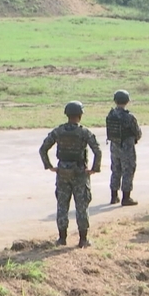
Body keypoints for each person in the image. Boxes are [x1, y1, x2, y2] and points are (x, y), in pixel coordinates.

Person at [39, 101, 103, 248]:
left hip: (62, 173)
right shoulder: (84, 132)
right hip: (80, 173)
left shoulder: (58, 131)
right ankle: (83, 240)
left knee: (62, 205)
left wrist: (50, 166)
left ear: (67, 115)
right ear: (80, 115)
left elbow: (43, 149)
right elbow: (97, 151)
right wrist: (94, 169)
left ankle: (62, 239)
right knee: (82, 206)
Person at [106, 89, 142, 206]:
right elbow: (138, 132)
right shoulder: (129, 117)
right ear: (127, 101)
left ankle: (114, 196)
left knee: (115, 170)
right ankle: (126, 198)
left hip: (114, 146)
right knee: (128, 170)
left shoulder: (111, 115)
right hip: (127, 147)